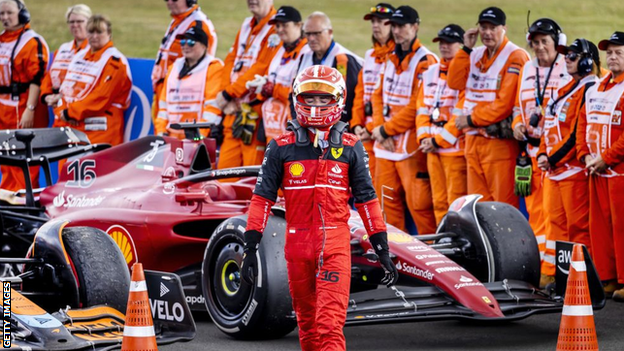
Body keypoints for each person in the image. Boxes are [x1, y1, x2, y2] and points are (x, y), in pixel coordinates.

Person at [241, 65, 397, 351]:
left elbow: (367, 199)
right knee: (308, 327)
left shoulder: (352, 146)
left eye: (323, 99)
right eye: (309, 98)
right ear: (297, 99)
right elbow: (261, 198)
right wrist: (249, 248)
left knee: (329, 326)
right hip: (296, 246)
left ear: (337, 100)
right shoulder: (280, 146)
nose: (315, 106)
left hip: (335, 245)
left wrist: (382, 248)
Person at [448, 7, 530, 208]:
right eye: (483, 27)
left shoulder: (515, 56)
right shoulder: (474, 54)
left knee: (502, 206)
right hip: (473, 141)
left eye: (493, 28)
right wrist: (465, 49)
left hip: (498, 143)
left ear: (504, 28)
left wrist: (470, 119)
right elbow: (454, 81)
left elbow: (504, 103)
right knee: (478, 206)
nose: (487, 32)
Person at [511, 18, 571, 283]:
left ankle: (554, 271)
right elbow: (516, 107)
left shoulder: (567, 66)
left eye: (544, 41)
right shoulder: (526, 67)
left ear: (557, 42)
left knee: (555, 214)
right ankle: (540, 268)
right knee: (536, 214)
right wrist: (516, 125)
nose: (539, 47)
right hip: (531, 153)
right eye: (534, 42)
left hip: (558, 156)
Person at [369, 5, 438, 234]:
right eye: (395, 26)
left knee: (420, 206)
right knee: (385, 205)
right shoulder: (389, 57)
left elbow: (419, 105)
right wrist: (379, 128)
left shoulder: (426, 60)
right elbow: (377, 95)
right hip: (385, 147)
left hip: (410, 148)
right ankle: (392, 258)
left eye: (402, 26)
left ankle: (432, 257)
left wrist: (386, 130)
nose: (397, 31)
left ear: (415, 27)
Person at [537, 38, 599, 288]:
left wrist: (551, 158)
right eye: (566, 56)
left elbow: (576, 135)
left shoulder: (589, 88)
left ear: (586, 61)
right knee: (555, 226)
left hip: (572, 171)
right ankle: (555, 272)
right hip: (554, 170)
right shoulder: (567, 87)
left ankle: (581, 276)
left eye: (573, 57)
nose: (567, 60)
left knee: (578, 228)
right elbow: (549, 125)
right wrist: (542, 154)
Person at [576, 31, 624, 301]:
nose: (613, 56)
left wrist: (607, 157)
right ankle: (607, 278)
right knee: (600, 228)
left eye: (619, 52)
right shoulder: (595, 87)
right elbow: (583, 123)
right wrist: (584, 155)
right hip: (596, 170)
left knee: (622, 227)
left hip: (618, 171)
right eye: (610, 52)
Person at [215, 0, 279, 169]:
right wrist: (224, 93)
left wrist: (229, 93)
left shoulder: (276, 27)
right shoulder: (246, 25)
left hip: (253, 113)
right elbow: (230, 59)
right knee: (224, 176)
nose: (253, 1)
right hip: (232, 111)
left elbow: (262, 66)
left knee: (251, 177)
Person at [416, 24, 467, 225]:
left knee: (456, 202)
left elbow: (461, 111)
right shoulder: (430, 72)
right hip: (432, 150)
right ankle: (442, 243)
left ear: (462, 45)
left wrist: (437, 141)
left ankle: (458, 247)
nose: (444, 47)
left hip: (454, 151)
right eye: (441, 42)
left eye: (450, 42)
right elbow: (421, 108)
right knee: (438, 201)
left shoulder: (465, 72)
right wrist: (424, 139)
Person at [54, 15, 132, 146]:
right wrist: (63, 111)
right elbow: (65, 88)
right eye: (91, 31)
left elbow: (102, 96)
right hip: (73, 126)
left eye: (99, 32)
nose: (94, 36)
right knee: (67, 166)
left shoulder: (115, 61)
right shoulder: (79, 55)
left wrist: (71, 112)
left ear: (109, 34)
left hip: (101, 131)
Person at [0, 0, 49, 191]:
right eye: (1, 14)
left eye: (9, 13)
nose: (5, 18)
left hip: (22, 106)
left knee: (24, 158)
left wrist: (30, 109)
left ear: (22, 13)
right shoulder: (2, 39)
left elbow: (37, 78)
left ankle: (23, 201)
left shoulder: (32, 41)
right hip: (3, 107)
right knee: (5, 157)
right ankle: (6, 199)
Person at [245, 5, 309, 142]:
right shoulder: (279, 50)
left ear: (299, 25)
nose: (280, 30)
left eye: (284, 25)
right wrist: (260, 89)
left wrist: (272, 89)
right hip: (272, 128)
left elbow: (301, 94)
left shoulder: (307, 53)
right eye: (277, 26)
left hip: (292, 129)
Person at [151, 0, 216, 125]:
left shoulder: (198, 23)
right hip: (167, 92)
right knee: (162, 136)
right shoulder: (178, 21)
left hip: (186, 97)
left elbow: (203, 62)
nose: (170, 2)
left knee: (187, 139)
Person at [351, 3, 395, 183]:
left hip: (386, 133)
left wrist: (371, 129)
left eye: (381, 21)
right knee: (366, 186)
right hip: (365, 135)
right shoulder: (369, 55)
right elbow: (359, 95)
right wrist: (356, 125)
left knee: (385, 190)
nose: (376, 26)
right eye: (373, 21)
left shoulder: (397, 56)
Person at [154, 24, 223, 139]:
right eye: (182, 42)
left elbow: (213, 107)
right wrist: (161, 133)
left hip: (198, 139)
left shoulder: (213, 67)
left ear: (204, 46)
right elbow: (163, 106)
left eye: (191, 42)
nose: (185, 46)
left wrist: (199, 135)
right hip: (171, 139)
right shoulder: (173, 68)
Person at [296, 11, 363, 124]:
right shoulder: (304, 55)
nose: (311, 38)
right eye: (308, 33)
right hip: (307, 123)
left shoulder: (344, 59)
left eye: (317, 33)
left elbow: (347, 99)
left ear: (330, 32)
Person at [40, 4, 91, 127]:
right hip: (59, 113)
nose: (75, 25)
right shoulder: (63, 49)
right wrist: (47, 96)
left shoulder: (94, 49)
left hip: (80, 116)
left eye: (80, 21)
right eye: (71, 22)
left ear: (90, 23)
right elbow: (49, 77)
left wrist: (68, 103)